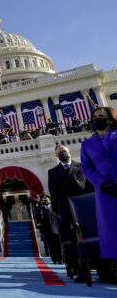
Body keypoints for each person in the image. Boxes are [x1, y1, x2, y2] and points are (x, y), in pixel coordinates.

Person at [48, 144, 93, 281]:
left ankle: (102, 267)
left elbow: (90, 186)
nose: (63, 154)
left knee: (89, 235)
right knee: (74, 240)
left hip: (85, 209)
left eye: (64, 151)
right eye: (60, 153)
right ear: (56, 156)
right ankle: (80, 270)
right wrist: (66, 202)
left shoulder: (81, 167)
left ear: (70, 152)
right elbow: (53, 192)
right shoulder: (53, 172)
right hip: (67, 210)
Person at [80, 107, 117, 267]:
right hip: (104, 191)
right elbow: (87, 169)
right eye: (94, 116)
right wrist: (102, 183)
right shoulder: (87, 144)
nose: (97, 119)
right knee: (110, 228)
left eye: (101, 116)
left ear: (110, 119)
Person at [35, 197, 61, 264]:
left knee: (57, 244)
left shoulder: (53, 208)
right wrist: (42, 229)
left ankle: (60, 258)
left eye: (47, 201)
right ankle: (54, 259)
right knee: (51, 245)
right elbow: (38, 220)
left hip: (55, 229)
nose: (47, 202)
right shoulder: (40, 209)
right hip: (47, 230)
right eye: (45, 201)